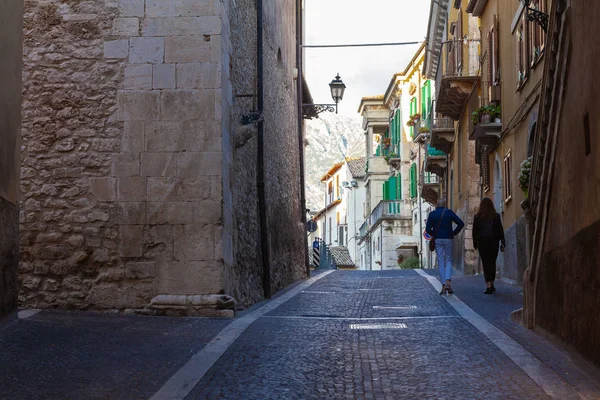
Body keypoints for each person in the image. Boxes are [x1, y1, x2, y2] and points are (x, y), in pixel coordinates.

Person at [426, 198, 465, 295]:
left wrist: (434, 234)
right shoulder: (449, 212)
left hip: (438, 239)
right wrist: (454, 233)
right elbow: (461, 223)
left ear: (436, 205)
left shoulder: (432, 214)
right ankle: (448, 282)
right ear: (445, 204)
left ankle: (443, 285)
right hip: (448, 238)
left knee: (441, 261)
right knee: (448, 260)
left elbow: (427, 229)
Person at [473, 197, 506, 294]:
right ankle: (492, 283)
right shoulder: (496, 216)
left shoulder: (477, 217)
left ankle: (488, 285)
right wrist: (503, 242)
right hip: (493, 242)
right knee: (492, 262)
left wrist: (475, 242)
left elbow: (475, 231)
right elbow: (500, 229)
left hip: (482, 242)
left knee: (485, 263)